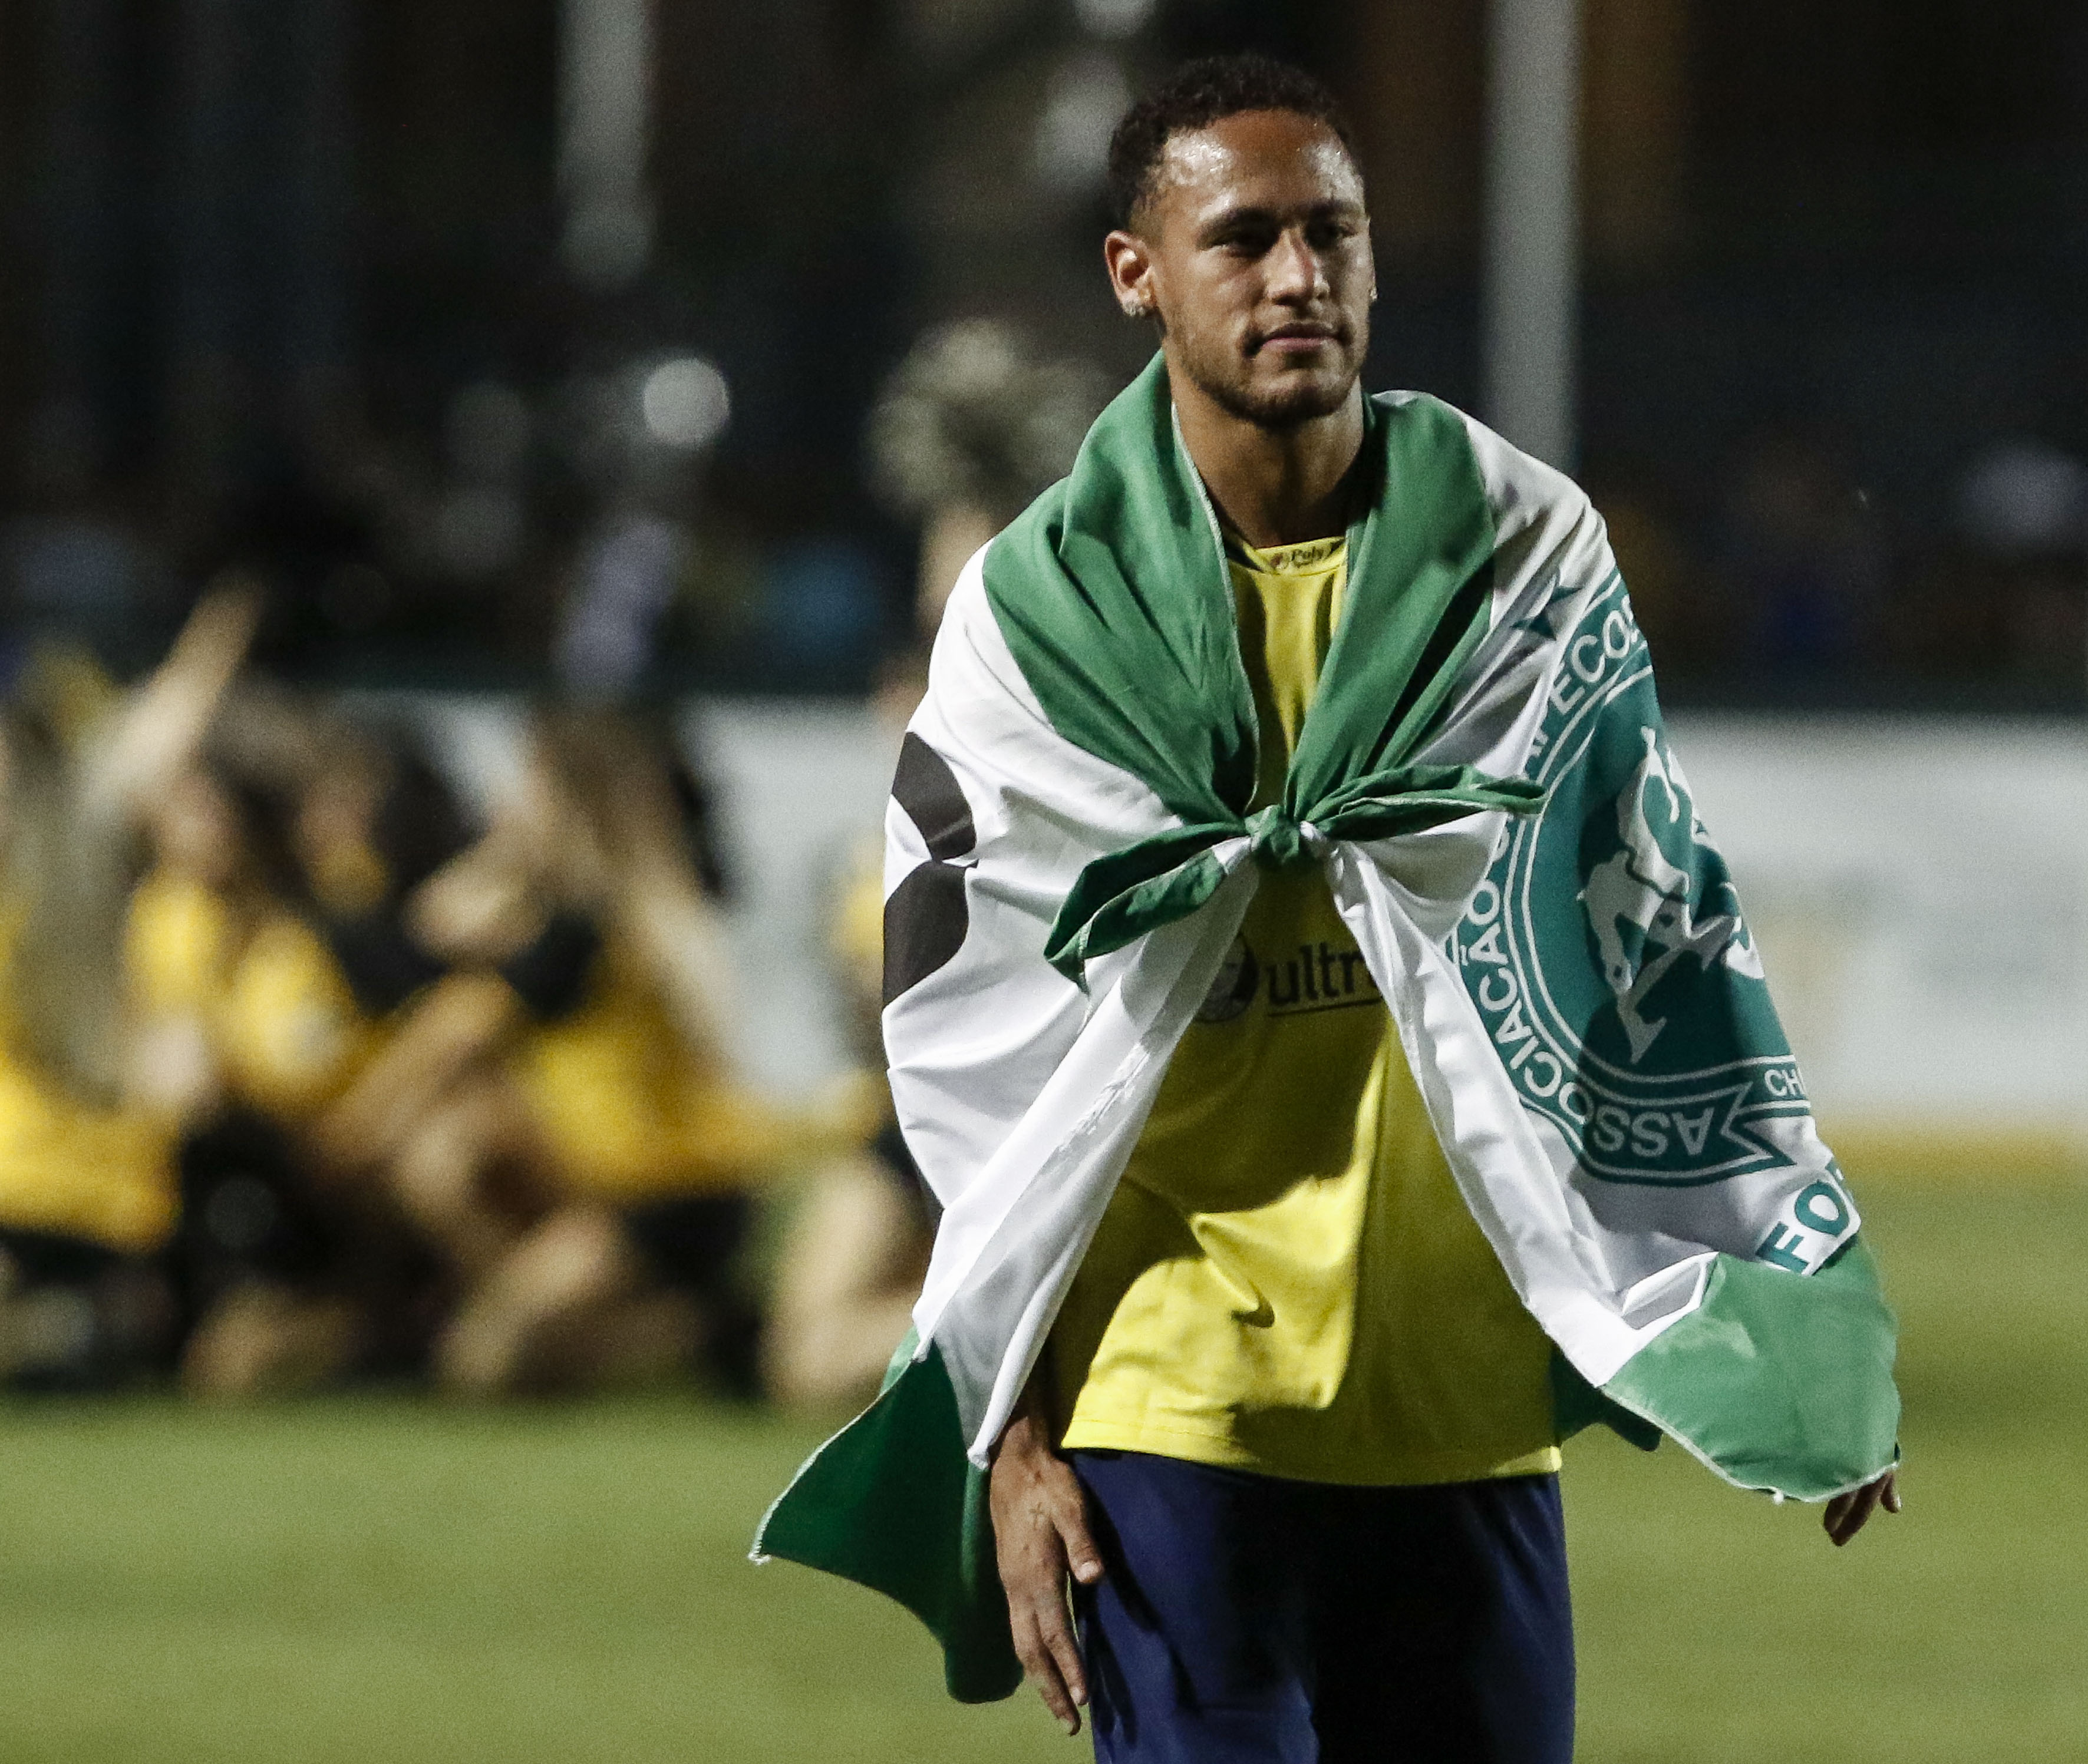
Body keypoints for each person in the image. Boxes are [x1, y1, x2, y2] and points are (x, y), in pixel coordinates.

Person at [757, 54, 1901, 1764]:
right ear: (1137, 274)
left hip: (1464, 1410)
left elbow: (1660, 930)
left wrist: (1794, 1290)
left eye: (1333, 233)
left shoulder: (1525, 549)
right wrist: (1010, 1425)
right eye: (1245, 239)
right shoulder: (1038, 612)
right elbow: (971, 1048)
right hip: (1172, 1409)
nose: (1299, 276)